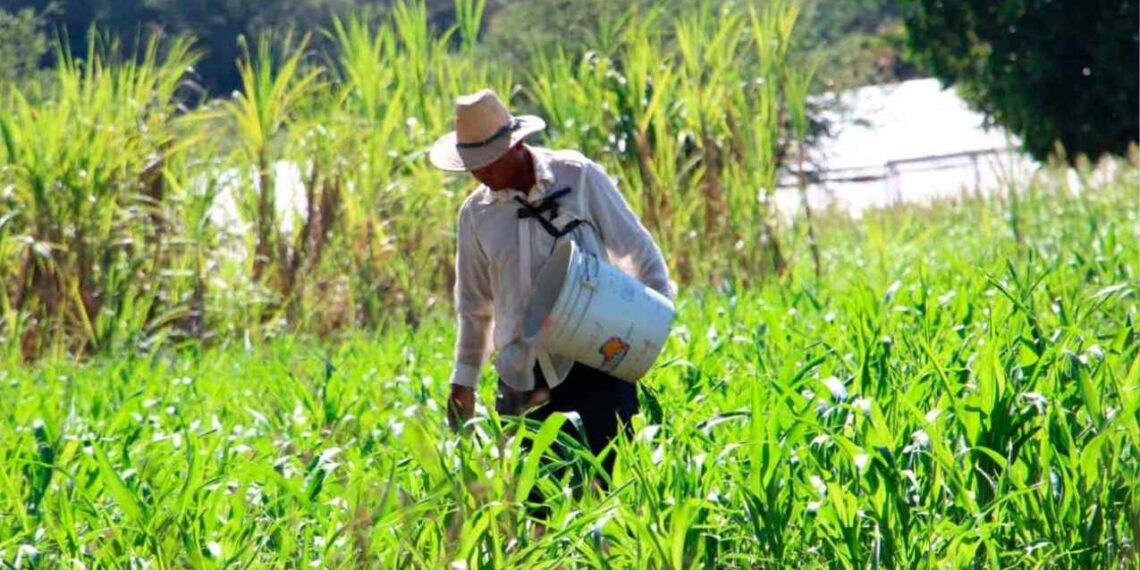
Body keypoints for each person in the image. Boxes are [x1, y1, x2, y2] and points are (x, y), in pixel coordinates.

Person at [430, 88, 673, 492]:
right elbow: (474, 308)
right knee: (536, 505)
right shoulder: (475, 215)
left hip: (596, 360)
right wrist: (463, 380)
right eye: (470, 165)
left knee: (605, 493)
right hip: (522, 376)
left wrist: (654, 325)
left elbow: (639, 251)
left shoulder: (577, 176)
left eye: (486, 162)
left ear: (516, 144)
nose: (479, 174)